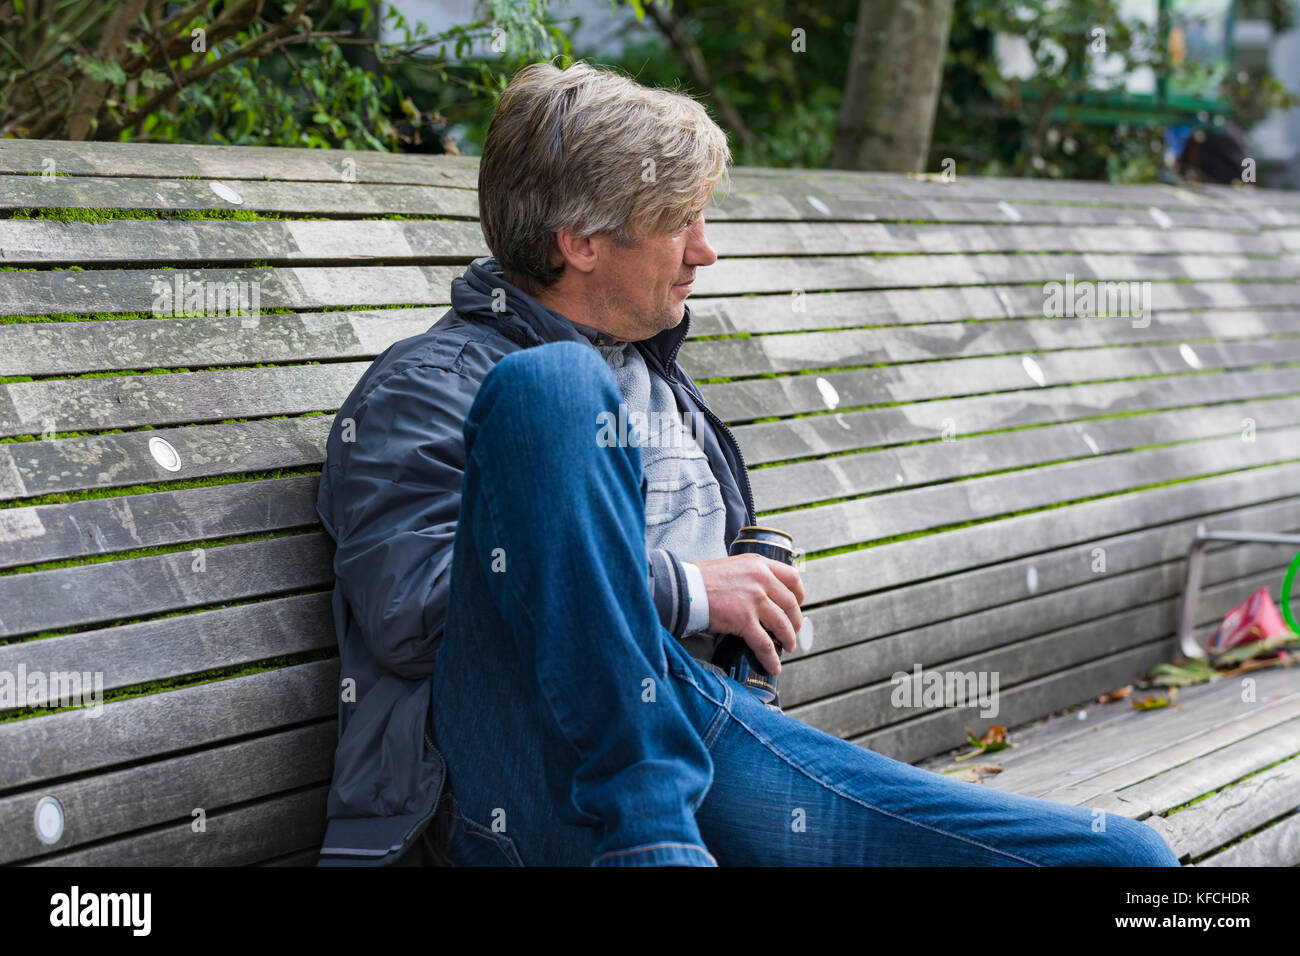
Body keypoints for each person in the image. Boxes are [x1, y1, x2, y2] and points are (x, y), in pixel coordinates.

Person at [313, 59, 1181, 867]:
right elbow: (416, 611)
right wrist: (688, 588)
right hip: (519, 785)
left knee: (1128, 864)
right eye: (679, 221)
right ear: (580, 241)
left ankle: (661, 828)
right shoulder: (434, 387)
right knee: (553, 386)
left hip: (711, 734)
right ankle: (651, 836)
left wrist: (735, 601)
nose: (705, 249)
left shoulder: (655, 378)